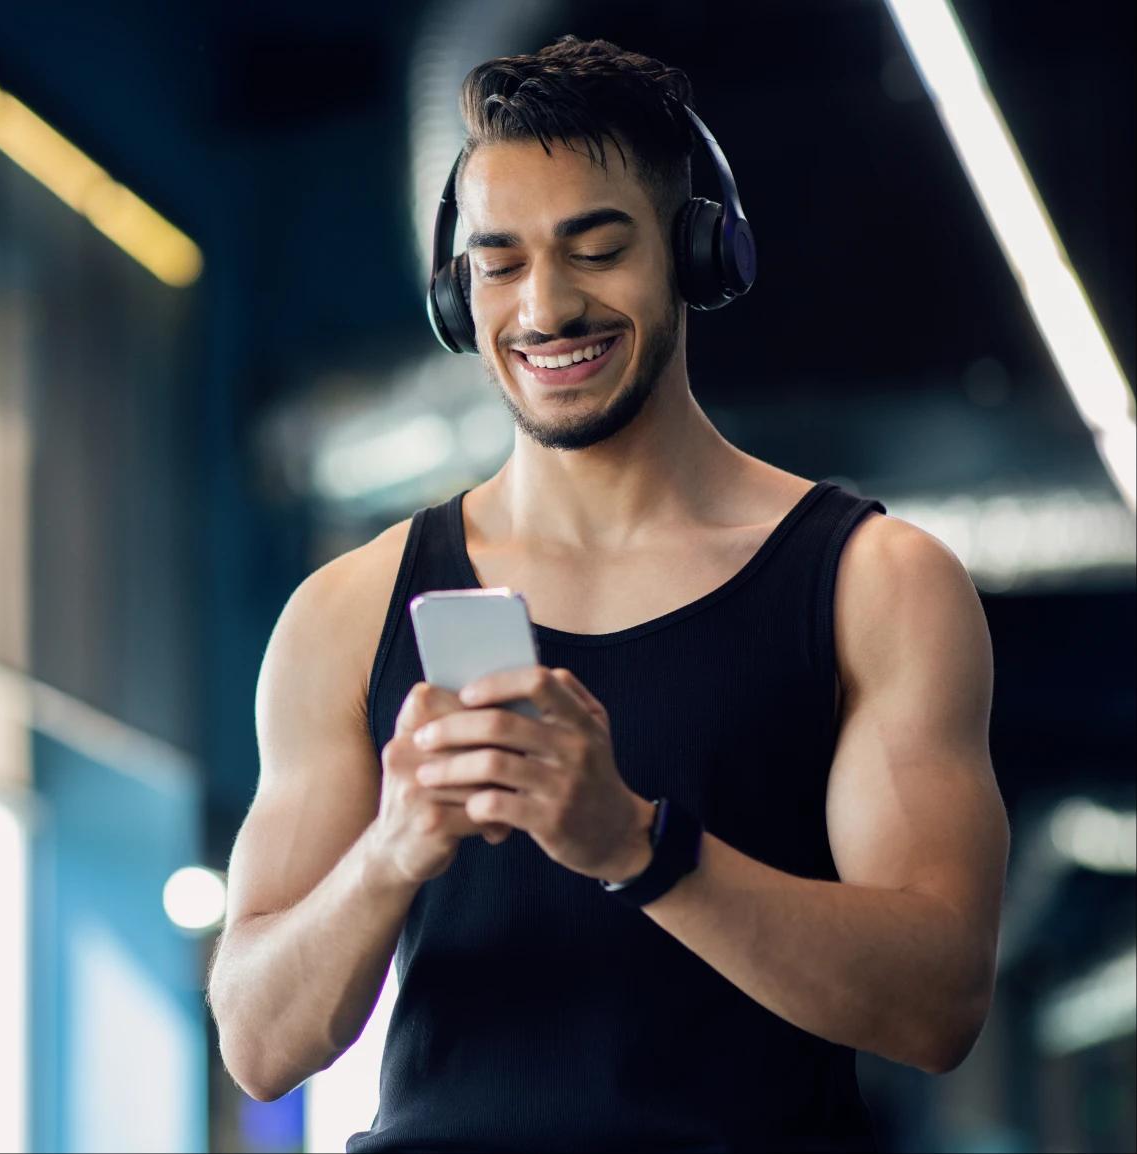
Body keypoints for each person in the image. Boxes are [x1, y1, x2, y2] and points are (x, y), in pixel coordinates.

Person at [206, 35, 1010, 1152]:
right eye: (500, 261)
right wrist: (392, 846)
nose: (545, 306)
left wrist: (638, 843)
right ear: (457, 289)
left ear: (696, 253)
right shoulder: (348, 612)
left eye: (596, 249)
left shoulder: (873, 584)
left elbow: (939, 1004)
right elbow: (258, 1040)